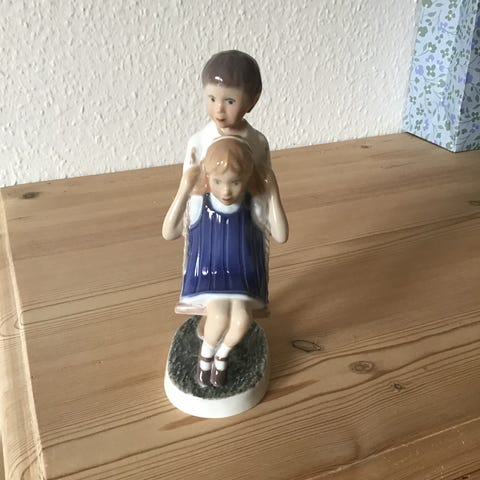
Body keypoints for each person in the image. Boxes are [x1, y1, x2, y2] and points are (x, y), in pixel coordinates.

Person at [163, 136, 288, 387]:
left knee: (242, 321)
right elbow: (169, 232)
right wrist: (184, 188)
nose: (226, 191)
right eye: (218, 182)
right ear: (207, 177)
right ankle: (205, 359)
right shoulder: (200, 203)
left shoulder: (254, 204)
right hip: (208, 275)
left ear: (248, 178)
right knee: (219, 317)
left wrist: (272, 190)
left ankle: (221, 356)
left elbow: (281, 235)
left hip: (242, 277)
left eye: (235, 182)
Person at [183, 50, 271, 173]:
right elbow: (189, 179)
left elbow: (266, 177)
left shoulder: (258, 143)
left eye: (230, 101)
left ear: (252, 101)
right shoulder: (198, 143)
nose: (219, 108)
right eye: (212, 99)